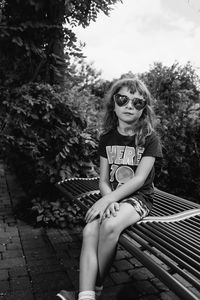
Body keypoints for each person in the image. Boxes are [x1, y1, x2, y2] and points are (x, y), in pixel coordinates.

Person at [56, 77, 163, 300]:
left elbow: (139, 179)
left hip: (139, 198)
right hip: (113, 197)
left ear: (144, 109)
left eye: (137, 102)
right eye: (123, 99)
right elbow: (103, 180)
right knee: (89, 230)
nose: (129, 106)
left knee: (110, 226)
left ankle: (95, 286)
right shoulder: (107, 138)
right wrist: (110, 199)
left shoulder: (150, 139)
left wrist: (106, 201)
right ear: (113, 104)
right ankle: (86, 296)